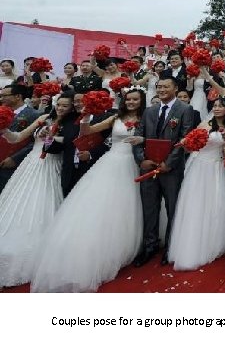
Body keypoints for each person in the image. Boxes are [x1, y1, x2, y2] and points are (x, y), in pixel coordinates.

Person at [30, 88, 146, 292]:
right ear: (123, 101)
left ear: (141, 100)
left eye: (135, 99)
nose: (131, 102)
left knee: (125, 207)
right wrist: (85, 115)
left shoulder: (147, 116)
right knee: (99, 205)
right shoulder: (114, 118)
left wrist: (142, 140)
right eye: (128, 99)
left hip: (133, 163)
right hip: (112, 163)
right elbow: (87, 131)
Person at [0, 93, 76, 287]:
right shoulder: (43, 118)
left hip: (51, 167)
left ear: (71, 108)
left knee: (42, 204)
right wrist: (4, 129)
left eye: (65, 105)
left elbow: (68, 142)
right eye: (58, 104)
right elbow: (17, 138)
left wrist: (52, 137)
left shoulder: (72, 123)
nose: (60, 108)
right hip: (30, 165)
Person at [132, 75, 194, 267]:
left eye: (166, 86)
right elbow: (138, 136)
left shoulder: (185, 109)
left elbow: (184, 138)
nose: (161, 90)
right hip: (149, 166)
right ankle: (150, 245)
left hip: (171, 170)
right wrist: (142, 159)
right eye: (159, 87)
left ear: (175, 88)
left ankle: (170, 247)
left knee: (172, 208)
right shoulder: (149, 111)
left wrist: (169, 163)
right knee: (149, 208)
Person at [168, 98, 225, 270]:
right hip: (202, 168)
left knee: (216, 206)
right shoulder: (205, 124)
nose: (217, 108)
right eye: (216, 106)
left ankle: (213, 243)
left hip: (218, 169)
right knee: (197, 205)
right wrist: (186, 143)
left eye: (221, 106)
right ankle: (192, 246)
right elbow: (191, 146)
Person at [0, 84, 40, 194]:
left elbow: (35, 141)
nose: (1, 98)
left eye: (4, 96)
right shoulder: (1, 111)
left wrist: (15, 158)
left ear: (18, 96)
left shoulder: (34, 114)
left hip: (14, 163)